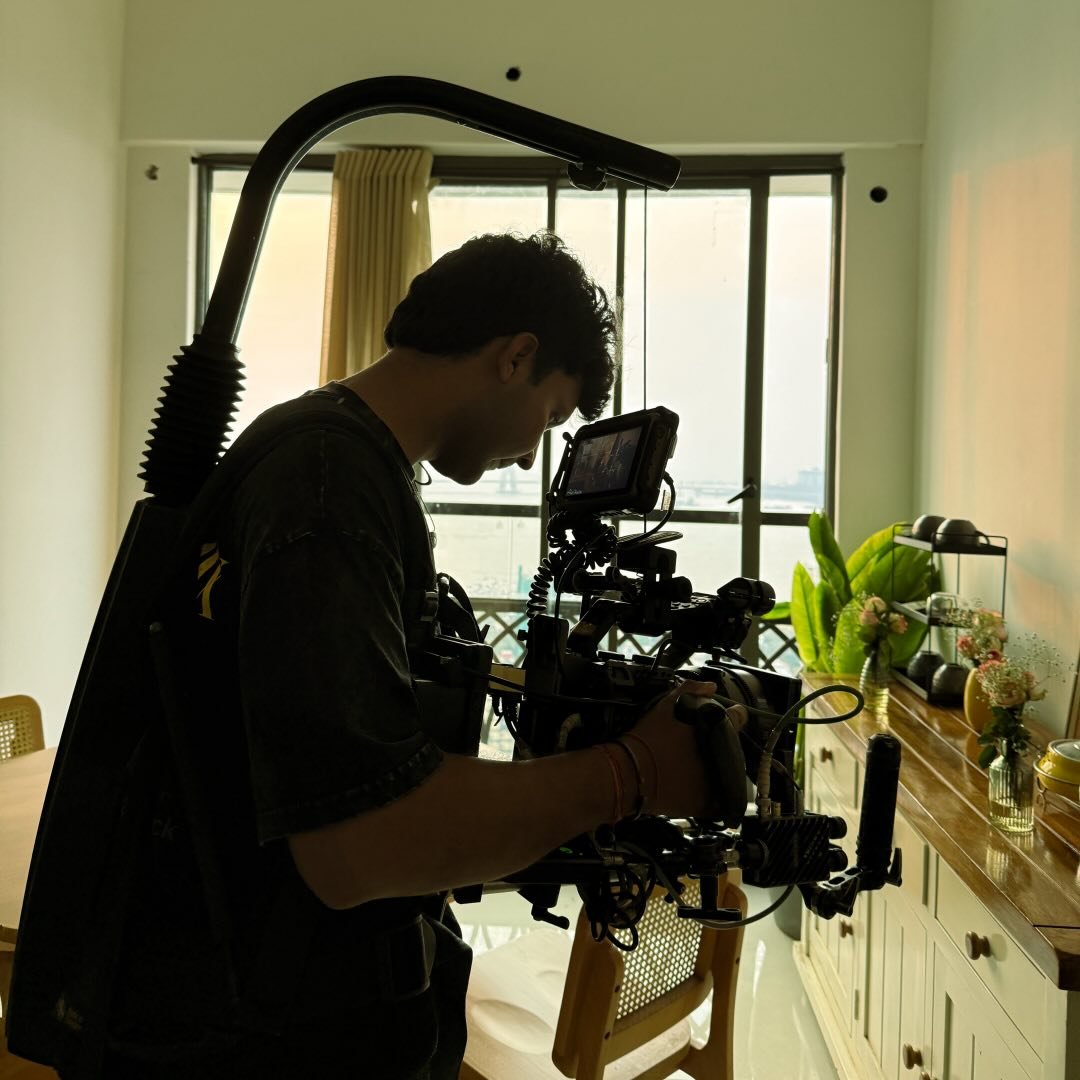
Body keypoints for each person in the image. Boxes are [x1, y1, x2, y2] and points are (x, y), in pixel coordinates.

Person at [101, 232, 722, 1079]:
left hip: (280, 1000)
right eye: (549, 416)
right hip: (270, 1034)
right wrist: (632, 773)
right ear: (516, 357)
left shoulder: (331, 456)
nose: (536, 452)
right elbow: (358, 847)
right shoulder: (329, 482)